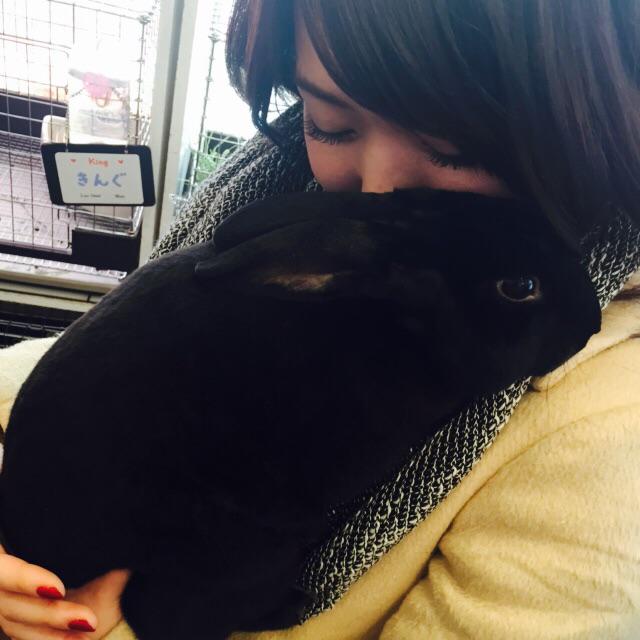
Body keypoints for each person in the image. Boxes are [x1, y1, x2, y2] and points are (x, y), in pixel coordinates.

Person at [1, 0, 640, 638]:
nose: (377, 189)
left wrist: (97, 627)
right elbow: (135, 349)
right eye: (330, 125)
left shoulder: (610, 435)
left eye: (458, 147)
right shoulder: (284, 196)